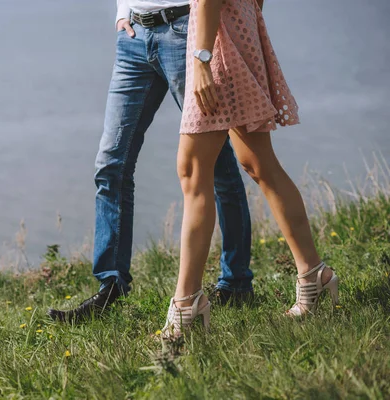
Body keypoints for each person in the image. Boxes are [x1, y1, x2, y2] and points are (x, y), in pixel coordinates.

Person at [48, 0, 254, 323]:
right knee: (110, 163)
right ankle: (111, 286)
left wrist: (205, 51)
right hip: (133, 39)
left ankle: (236, 281)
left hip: (185, 31)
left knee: (215, 161)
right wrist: (121, 13)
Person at [160, 0, 339, 337]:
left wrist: (202, 59)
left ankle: (186, 306)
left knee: (192, 171)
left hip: (217, 48)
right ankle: (314, 274)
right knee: (259, 164)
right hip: (236, 34)